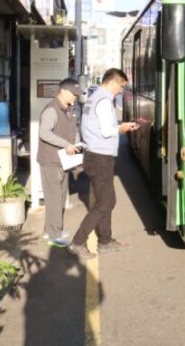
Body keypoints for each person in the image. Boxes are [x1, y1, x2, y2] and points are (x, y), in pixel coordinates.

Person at [68, 68, 138, 260]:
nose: (121, 91)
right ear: (113, 82)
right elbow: (107, 131)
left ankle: (105, 241)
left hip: (94, 155)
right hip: (100, 158)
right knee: (105, 202)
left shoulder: (93, 98)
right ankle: (78, 242)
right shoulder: (105, 101)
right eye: (121, 86)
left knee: (107, 200)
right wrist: (122, 128)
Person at [38, 78, 83, 247]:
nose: (76, 97)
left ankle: (49, 230)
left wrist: (76, 144)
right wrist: (66, 144)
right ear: (63, 91)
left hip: (63, 161)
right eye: (74, 94)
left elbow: (73, 129)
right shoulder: (52, 110)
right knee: (54, 199)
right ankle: (54, 235)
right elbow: (44, 133)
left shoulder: (69, 109)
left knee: (60, 196)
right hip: (51, 161)